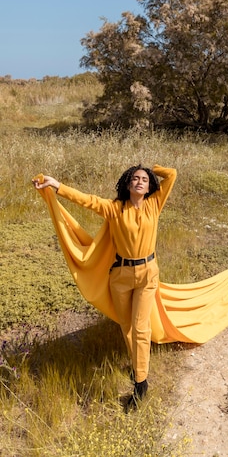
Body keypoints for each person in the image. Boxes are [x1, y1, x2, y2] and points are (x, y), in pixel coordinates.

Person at [32, 163, 177, 409]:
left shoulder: (155, 204)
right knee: (126, 325)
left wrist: (151, 168)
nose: (139, 181)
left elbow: (172, 174)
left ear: (150, 185)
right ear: (128, 184)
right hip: (120, 275)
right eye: (134, 178)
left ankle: (141, 383)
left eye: (144, 179)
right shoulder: (114, 209)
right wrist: (57, 186)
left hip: (147, 275)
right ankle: (137, 365)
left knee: (141, 327)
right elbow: (87, 200)